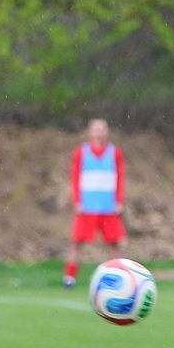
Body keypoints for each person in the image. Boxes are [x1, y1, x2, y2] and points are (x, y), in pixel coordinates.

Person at [63, 118, 126, 288]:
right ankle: (69, 278)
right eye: (95, 129)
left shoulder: (115, 152)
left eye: (102, 129)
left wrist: (119, 201)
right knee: (77, 243)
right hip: (87, 207)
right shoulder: (81, 152)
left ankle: (117, 279)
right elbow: (75, 177)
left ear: (107, 132)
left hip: (108, 207)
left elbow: (120, 177)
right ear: (89, 132)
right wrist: (77, 201)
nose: (99, 132)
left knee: (115, 244)